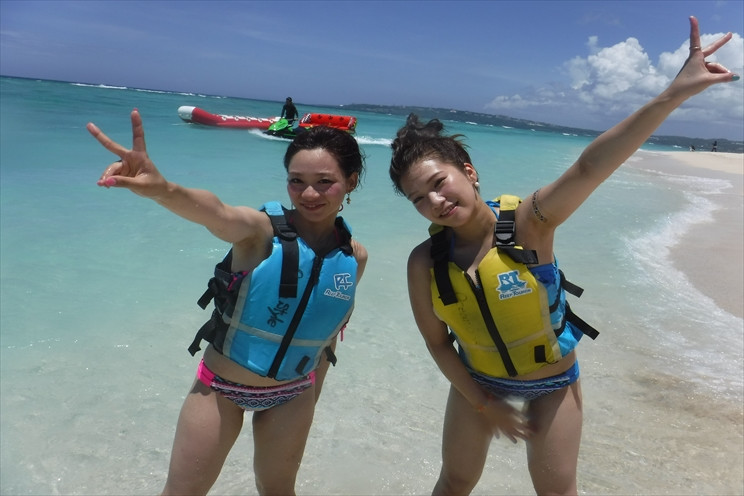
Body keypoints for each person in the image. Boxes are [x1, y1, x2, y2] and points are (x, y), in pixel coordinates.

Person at [388, 17, 737, 495]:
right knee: (454, 481)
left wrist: (671, 94)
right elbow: (436, 342)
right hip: (477, 383)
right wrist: (484, 404)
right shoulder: (424, 261)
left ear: (467, 172)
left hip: (552, 385)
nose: (434, 202)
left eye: (438, 182)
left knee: (556, 491)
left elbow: (590, 166)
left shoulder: (531, 222)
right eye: (417, 199)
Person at [87, 112, 367, 495]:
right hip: (220, 388)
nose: (309, 194)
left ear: (350, 182)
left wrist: (312, 395)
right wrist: (161, 189)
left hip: (294, 394)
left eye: (325, 182)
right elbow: (216, 212)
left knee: (279, 490)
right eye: (296, 181)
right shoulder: (259, 233)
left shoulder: (354, 258)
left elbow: (326, 337)